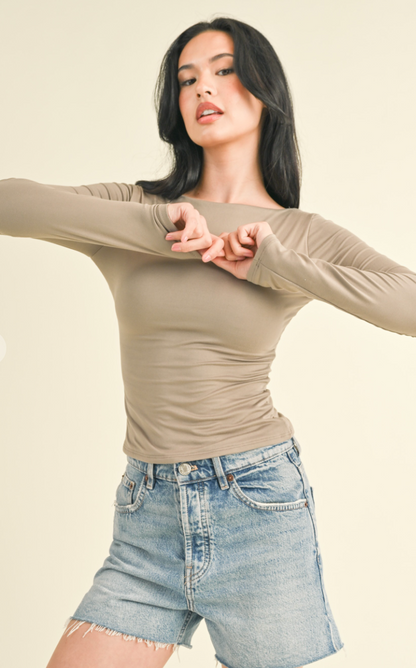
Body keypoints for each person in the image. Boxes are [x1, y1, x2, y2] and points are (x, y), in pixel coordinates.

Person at [1, 15, 416, 668]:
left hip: (257, 505)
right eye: (186, 79)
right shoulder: (133, 208)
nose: (202, 89)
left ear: (263, 91)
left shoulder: (297, 233)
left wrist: (274, 264)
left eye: (223, 71)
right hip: (147, 517)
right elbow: (9, 202)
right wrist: (155, 225)